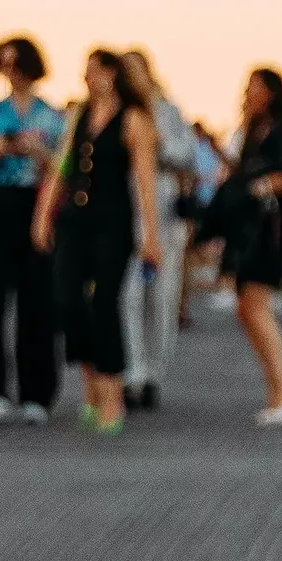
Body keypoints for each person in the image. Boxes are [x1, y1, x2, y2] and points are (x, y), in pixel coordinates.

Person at [34, 50, 161, 432]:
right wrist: (44, 214)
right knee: (66, 300)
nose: (87, 78)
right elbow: (62, 166)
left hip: (113, 221)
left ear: (111, 74)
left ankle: (112, 397)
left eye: (93, 71)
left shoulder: (134, 119)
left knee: (104, 302)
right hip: (75, 218)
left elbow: (144, 180)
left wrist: (150, 235)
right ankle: (91, 382)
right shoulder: (79, 116)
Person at [192, 68, 282, 424]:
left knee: (255, 306)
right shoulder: (253, 132)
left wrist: (258, 188)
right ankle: (280, 391)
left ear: (269, 92)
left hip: (267, 230)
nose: (247, 94)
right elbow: (242, 173)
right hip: (248, 231)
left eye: (253, 88)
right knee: (247, 308)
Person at [0, 39, 66, 424]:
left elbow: (65, 169)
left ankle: (36, 392)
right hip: (0, 204)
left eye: (17, 65)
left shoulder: (52, 116)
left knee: (37, 299)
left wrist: (39, 154)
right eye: (4, 65)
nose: (11, 73)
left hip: (38, 204)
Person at [119, 49, 198, 407]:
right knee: (128, 293)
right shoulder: (118, 113)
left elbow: (187, 154)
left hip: (162, 209)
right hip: (124, 210)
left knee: (163, 297)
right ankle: (132, 369)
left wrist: (157, 145)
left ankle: (154, 369)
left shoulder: (167, 111)